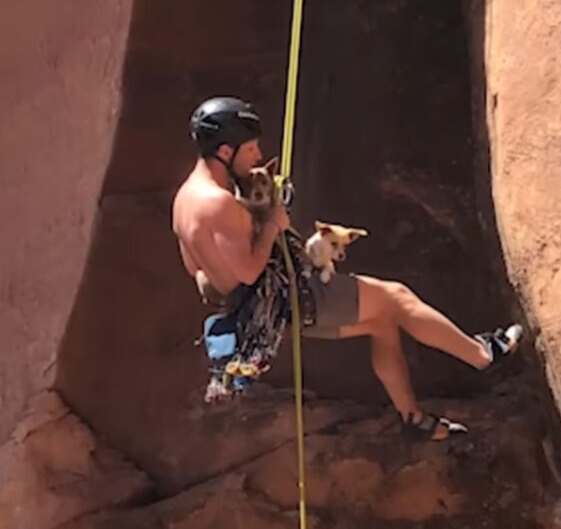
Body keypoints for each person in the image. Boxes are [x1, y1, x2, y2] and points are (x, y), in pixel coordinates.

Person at [172, 96, 523, 440]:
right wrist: (272, 226)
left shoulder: (185, 200)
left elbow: (198, 272)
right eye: (250, 150)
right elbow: (249, 271)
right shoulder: (218, 204)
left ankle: (413, 419)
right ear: (225, 152)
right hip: (294, 296)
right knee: (396, 297)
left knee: (382, 323)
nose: (258, 157)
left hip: (275, 309)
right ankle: (481, 354)